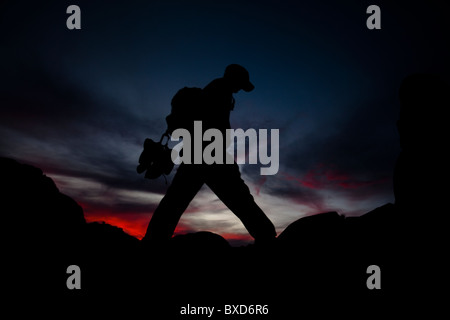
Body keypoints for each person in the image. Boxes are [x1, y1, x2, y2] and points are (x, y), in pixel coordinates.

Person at [142, 64, 277, 246]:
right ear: (233, 78)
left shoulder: (217, 90)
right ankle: (267, 236)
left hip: (198, 154)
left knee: (175, 201)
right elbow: (213, 126)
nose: (240, 89)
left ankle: (153, 241)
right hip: (210, 155)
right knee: (238, 198)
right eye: (240, 84)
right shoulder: (219, 91)